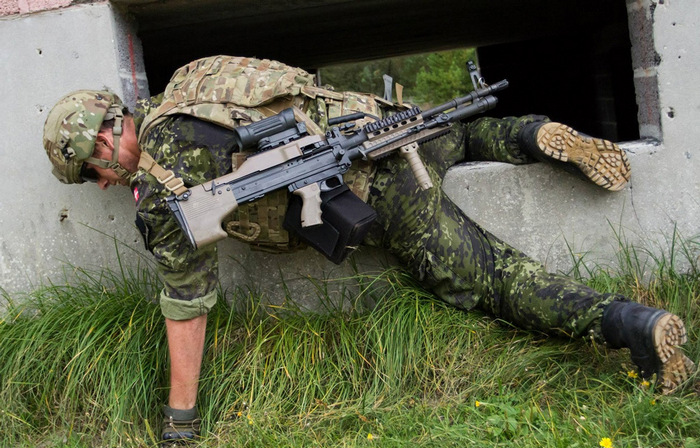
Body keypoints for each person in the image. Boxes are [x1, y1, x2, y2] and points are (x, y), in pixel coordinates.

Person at [42, 56, 693, 446]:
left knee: (484, 276)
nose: (105, 183)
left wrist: (179, 422)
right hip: (379, 121)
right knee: (461, 136)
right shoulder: (192, 82)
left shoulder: (164, 184)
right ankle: (533, 131)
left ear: (102, 145)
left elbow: (187, 303)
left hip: (373, 182)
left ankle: (633, 325)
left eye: (95, 173)